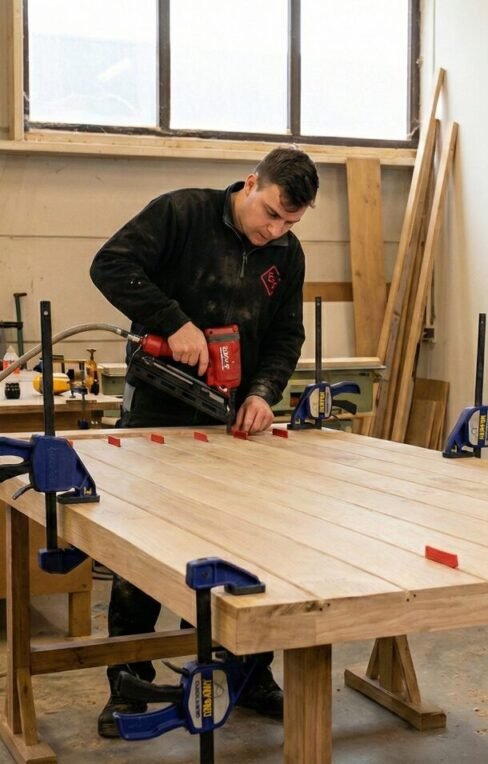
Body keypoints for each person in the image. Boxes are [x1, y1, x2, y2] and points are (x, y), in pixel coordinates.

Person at [89, 146, 319, 738]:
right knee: (142, 547)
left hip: (231, 416)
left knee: (247, 545)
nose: (275, 230)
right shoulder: (181, 214)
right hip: (158, 406)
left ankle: (249, 673)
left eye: (290, 223)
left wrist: (264, 392)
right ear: (249, 184)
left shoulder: (286, 253)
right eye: (270, 214)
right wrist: (172, 321)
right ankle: (128, 682)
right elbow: (110, 265)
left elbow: (287, 334)